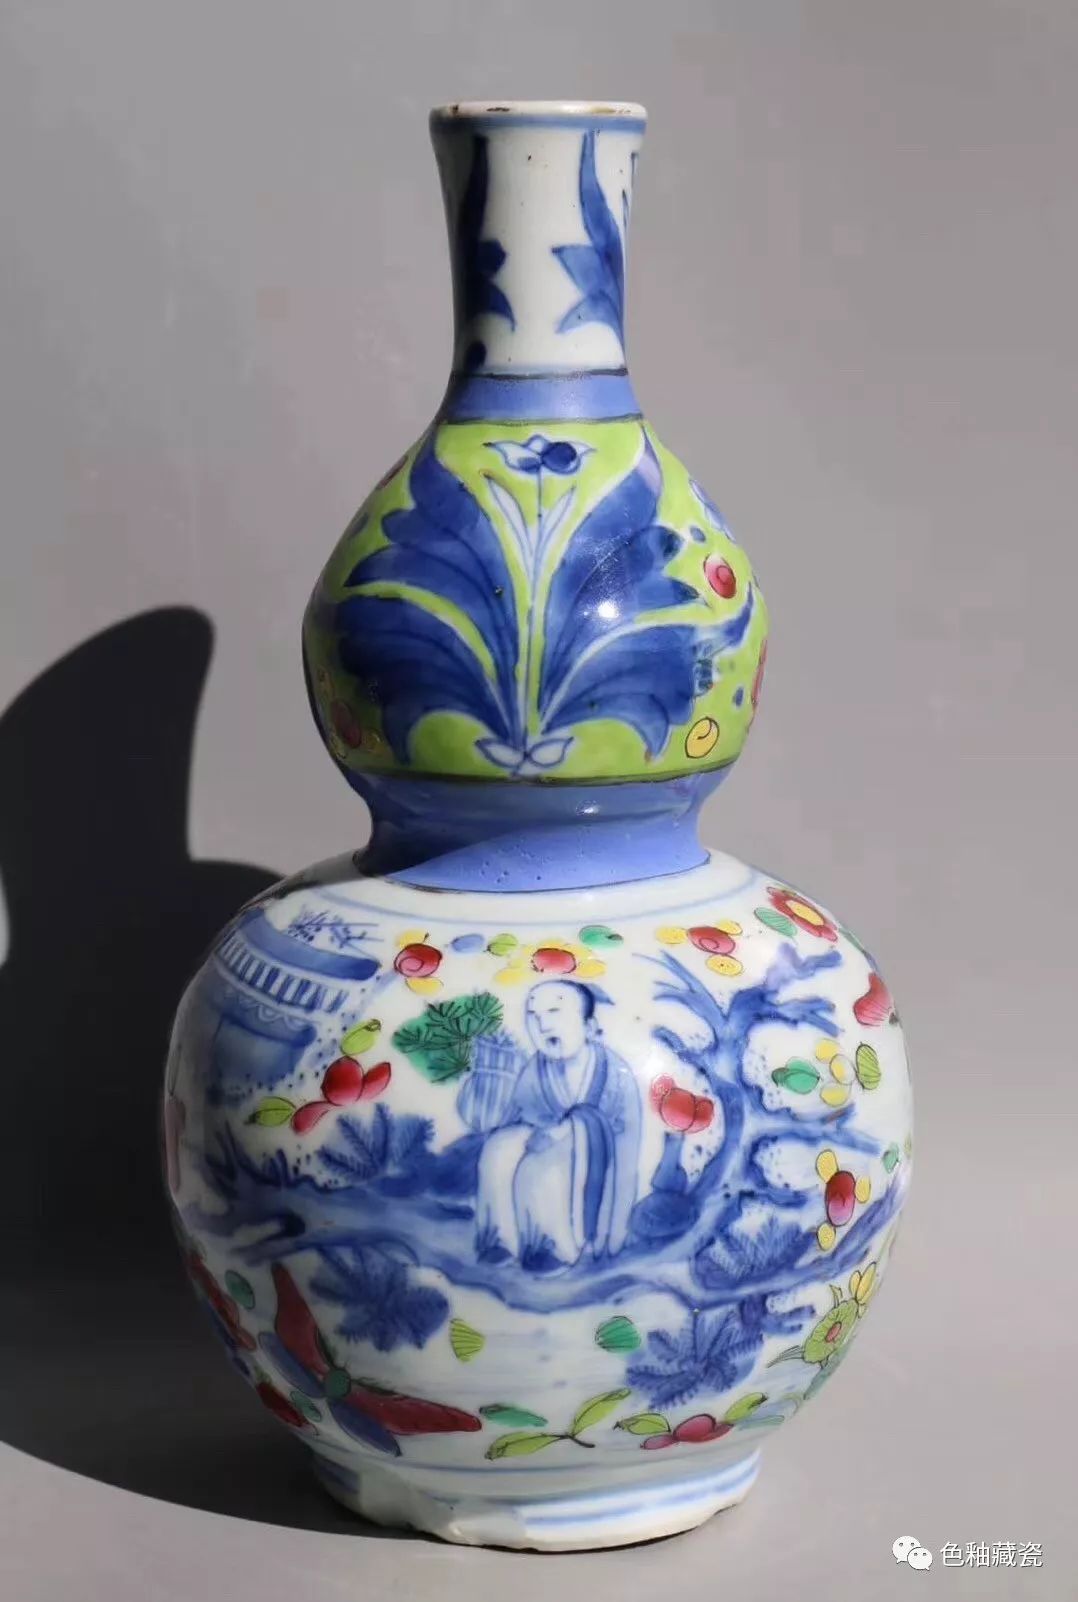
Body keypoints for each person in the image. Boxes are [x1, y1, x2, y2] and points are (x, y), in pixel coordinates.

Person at [469, 980, 641, 1271]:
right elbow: (522, 1113)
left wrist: (567, 1130)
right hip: (549, 1135)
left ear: (589, 1026)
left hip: (595, 1154)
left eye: (553, 1012)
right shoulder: (536, 1068)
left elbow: (623, 1134)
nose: (543, 1024)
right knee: (499, 1149)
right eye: (533, 1015)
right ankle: (502, 1239)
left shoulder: (614, 1073)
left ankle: (553, 1248)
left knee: (542, 1165)